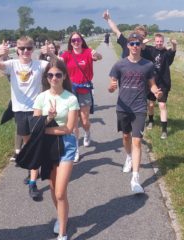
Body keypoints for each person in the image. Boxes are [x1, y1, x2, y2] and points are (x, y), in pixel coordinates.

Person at [0, 36, 53, 200]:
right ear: (17, 50)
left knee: (34, 143)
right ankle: (33, 167)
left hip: (36, 110)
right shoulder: (12, 65)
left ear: (33, 50)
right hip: (19, 111)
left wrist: (51, 54)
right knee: (27, 143)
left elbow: (59, 66)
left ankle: (33, 184)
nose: (26, 51)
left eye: (29, 48)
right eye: (22, 48)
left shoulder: (39, 65)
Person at [108, 33, 162, 193]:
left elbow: (152, 84)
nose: (135, 46)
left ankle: (135, 178)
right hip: (123, 107)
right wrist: (111, 88)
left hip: (139, 107)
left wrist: (156, 92)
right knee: (126, 137)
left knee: (137, 141)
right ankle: (129, 156)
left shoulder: (148, 65)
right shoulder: (119, 65)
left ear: (141, 45)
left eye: (137, 43)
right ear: (128, 46)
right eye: (132, 44)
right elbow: (111, 85)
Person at [33, 60, 79, 240]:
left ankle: (63, 233)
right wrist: (47, 118)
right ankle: (61, 217)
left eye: (58, 75)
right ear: (46, 77)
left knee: (60, 191)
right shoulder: (41, 98)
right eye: (50, 75)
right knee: (52, 188)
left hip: (66, 145)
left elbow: (68, 128)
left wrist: (46, 129)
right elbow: (35, 125)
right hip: (47, 147)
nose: (54, 78)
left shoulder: (71, 98)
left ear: (64, 76)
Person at [60, 31, 102, 162]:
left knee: (84, 121)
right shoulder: (67, 54)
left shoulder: (88, 52)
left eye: (78, 40)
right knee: (73, 123)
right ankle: (76, 149)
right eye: (73, 40)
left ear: (82, 41)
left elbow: (99, 57)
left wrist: (97, 54)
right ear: (70, 42)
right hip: (71, 90)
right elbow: (58, 63)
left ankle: (87, 133)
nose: (76, 42)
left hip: (84, 89)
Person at [145, 33, 177, 139]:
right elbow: (141, 48)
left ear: (163, 41)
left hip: (163, 83)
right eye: (157, 41)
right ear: (155, 41)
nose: (159, 43)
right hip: (151, 81)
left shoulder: (166, 53)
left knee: (162, 105)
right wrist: (144, 42)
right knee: (150, 104)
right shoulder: (150, 50)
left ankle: (164, 130)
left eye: (160, 41)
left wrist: (174, 45)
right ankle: (150, 120)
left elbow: (172, 51)